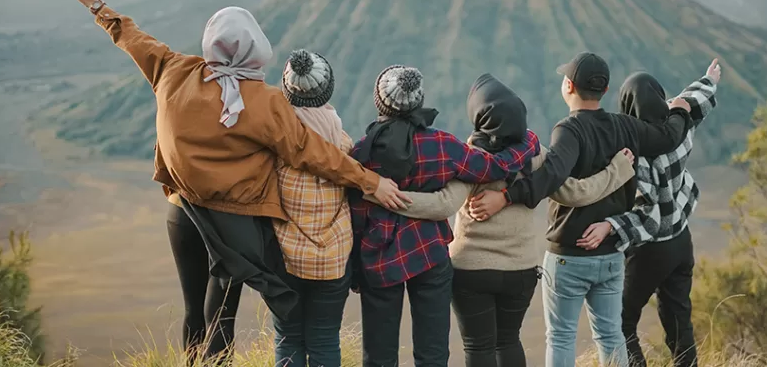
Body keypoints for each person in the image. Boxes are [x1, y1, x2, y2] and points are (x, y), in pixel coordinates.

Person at [62, 0, 409, 363]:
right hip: (233, 223)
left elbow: (133, 39)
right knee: (221, 314)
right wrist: (369, 182)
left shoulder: (175, 70)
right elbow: (312, 152)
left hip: (181, 213)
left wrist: (97, 6)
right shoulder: (263, 101)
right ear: (256, 48)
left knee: (194, 312)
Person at [368, 73, 638, 367]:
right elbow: (578, 193)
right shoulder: (535, 156)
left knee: (478, 347)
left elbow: (442, 204)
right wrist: (619, 170)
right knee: (509, 342)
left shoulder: (469, 158)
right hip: (519, 270)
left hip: (471, 271)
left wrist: (386, 196)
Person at [468, 52, 692, 367]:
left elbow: (552, 173)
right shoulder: (626, 126)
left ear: (569, 86)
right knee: (611, 335)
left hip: (569, 256)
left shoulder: (568, 130)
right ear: (604, 89)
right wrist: (681, 111)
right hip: (612, 253)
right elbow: (668, 137)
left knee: (560, 337)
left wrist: (505, 196)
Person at [349, 65, 541, 367]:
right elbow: (495, 167)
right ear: (419, 100)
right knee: (433, 354)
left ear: (380, 102)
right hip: (430, 256)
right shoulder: (443, 144)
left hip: (379, 258)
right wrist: (528, 142)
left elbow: (356, 215)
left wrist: (356, 268)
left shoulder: (362, 152)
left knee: (379, 356)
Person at [587, 61, 720, 367]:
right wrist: (708, 80)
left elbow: (648, 217)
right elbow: (691, 101)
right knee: (678, 321)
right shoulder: (679, 126)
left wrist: (611, 225)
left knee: (620, 323)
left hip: (651, 249)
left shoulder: (634, 153)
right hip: (681, 241)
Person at [270, 49, 356, 367]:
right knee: (324, 340)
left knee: (287, 339)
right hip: (333, 261)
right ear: (328, 89)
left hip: (284, 258)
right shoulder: (343, 144)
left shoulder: (275, 142)